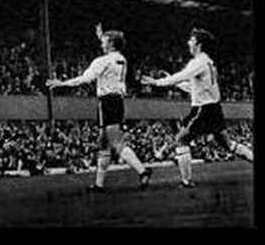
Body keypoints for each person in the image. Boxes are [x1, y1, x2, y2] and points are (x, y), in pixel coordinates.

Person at [46, 23, 153, 192]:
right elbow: (111, 51)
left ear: (110, 43)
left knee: (115, 142)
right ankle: (99, 184)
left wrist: (62, 83)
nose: (101, 44)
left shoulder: (102, 61)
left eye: (104, 41)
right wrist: (103, 35)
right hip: (117, 101)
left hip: (107, 102)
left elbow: (86, 78)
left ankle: (142, 170)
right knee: (103, 142)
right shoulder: (121, 58)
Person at [141, 28, 253, 188]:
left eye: (191, 40)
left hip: (203, 109)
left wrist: (157, 82)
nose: (188, 43)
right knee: (227, 144)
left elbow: (182, 75)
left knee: (181, 139)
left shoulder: (198, 62)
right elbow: (196, 88)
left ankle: (186, 181)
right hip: (214, 108)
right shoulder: (208, 62)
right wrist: (176, 83)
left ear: (198, 44)